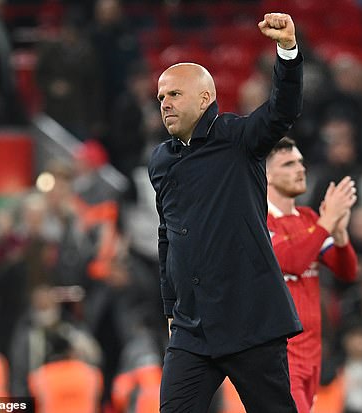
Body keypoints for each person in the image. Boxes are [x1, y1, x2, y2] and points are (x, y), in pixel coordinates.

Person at [148, 13, 304, 413]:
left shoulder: (238, 139)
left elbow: (280, 111)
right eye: (161, 97)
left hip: (249, 317)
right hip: (192, 327)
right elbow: (167, 235)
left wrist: (286, 51)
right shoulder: (160, 161)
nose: (164, 103)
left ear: (205, 99)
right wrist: (170, 308)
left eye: (175, 95)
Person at [265, 137, 358, 413]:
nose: (300, 169)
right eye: (289, 163)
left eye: (301, 162)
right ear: (266, 174)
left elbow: (347, 271)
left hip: (312, 353)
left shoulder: (307, 219)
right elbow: (291, 261)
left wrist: (339, 234)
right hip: (280, 353)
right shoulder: (259, 220)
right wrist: (327, 222)